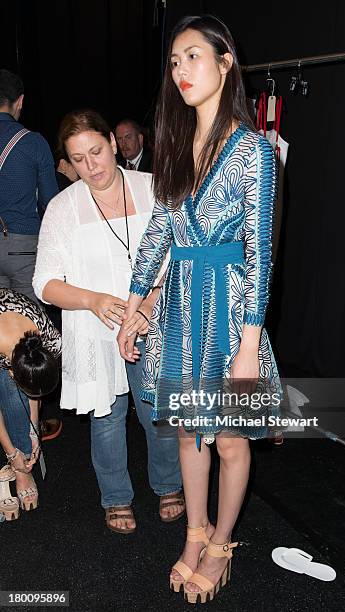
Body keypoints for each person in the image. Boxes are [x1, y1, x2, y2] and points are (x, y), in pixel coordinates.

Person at [117, 14, 282, 603]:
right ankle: (195, 532)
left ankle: (221, 545)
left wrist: (246, 344)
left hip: (231, 308)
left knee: (232, 439)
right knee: (190, 433)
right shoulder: (173, 146)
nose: (181, 70)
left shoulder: (253, 150)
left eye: (192, 56)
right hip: (182, 307)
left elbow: (261, 253)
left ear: (225, 59)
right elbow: (159, 231)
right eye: (173, 61)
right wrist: (136, 307)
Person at [33, 110, 183, 534]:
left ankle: (169, 483)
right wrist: (93, 300)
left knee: (159, 411)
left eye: (97, 152)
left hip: (154, 321)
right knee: (108, 415)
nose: (91, 166)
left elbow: (179, 256)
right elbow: (43, 282)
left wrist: (151, 301)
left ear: (114, 144)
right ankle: (116, 496)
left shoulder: (153, 188)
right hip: (95, 331)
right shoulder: (64, 207)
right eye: (78, 159)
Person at [0, 287, 61, 517]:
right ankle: (20, 468)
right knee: (11, 397)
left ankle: (24, 463)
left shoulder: (50, 341)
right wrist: (12, 454)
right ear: (13, 373)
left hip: (12, 339)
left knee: (20, 405)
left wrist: (34, 431)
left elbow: (35, 389)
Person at [0, 69, 58, 304]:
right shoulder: (32, 142)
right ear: (20, 101)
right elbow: (51, 202)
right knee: (30, 324)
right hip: (22, 246)